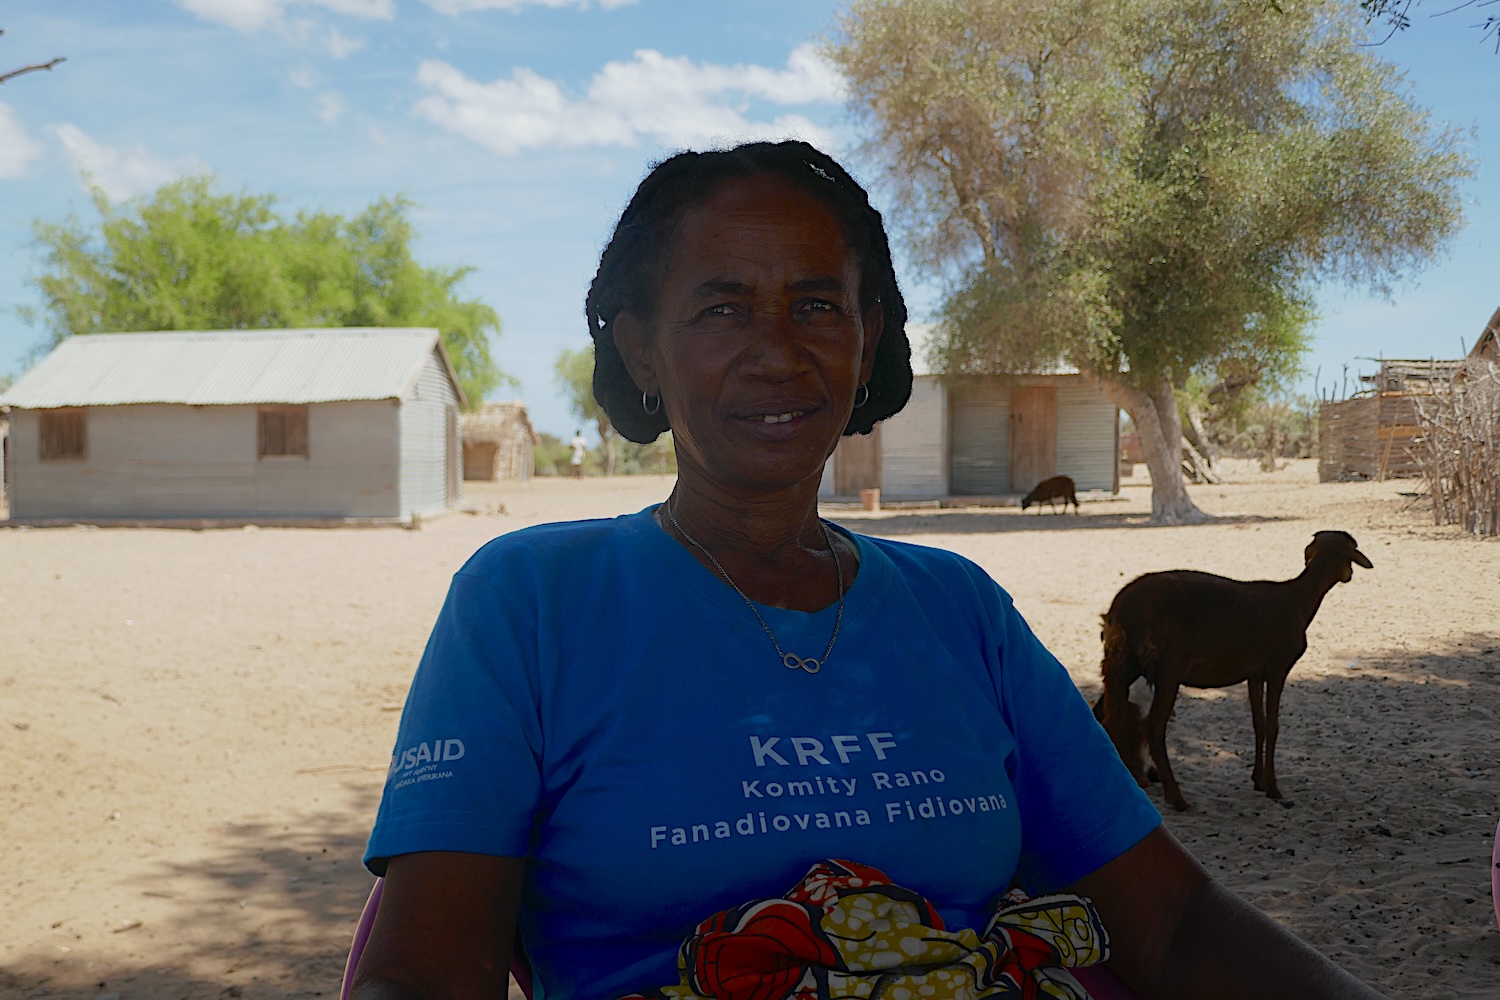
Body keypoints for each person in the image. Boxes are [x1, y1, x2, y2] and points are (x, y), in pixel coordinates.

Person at [354, 141, 1387, 1000]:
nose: (776, 350)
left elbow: (1174, 923)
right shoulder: (532, 601)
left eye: (817, 305)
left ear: (868, 339)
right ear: (639, 352)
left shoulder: (958, 609)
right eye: (720, 308)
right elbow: (422, 973)